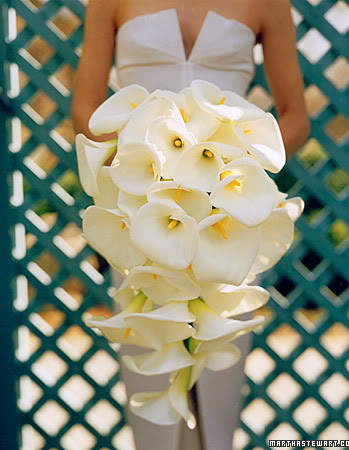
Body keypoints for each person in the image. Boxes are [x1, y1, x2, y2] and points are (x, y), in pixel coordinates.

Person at [71, 1, 310, 449]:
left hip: (229, 213)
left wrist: (239, 155)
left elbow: (295, 117)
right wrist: (144, 159)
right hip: (143, 214)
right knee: (150, 356)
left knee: (220, 375)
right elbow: (85, 111)